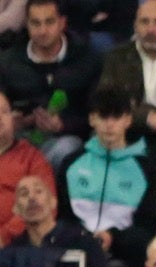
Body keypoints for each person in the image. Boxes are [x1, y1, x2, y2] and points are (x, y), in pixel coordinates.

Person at [63, 84, 156, 267]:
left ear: (128, 120)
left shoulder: (143, 167)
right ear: (91, 119)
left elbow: (148, 223)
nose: (109, 124)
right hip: (78, 238)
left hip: (123, 241)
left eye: (116, 117)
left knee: (146, 248)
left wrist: (112, 236)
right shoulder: (72, 163)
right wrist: (86, 235)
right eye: (103, 117)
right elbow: (62, 215)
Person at [0, 0, 101, 171]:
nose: (42, 31)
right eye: (36, 23)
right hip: (17, 139)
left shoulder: (86, 59)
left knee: (68, 148)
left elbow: (95, 113)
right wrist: (11, 121)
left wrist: (62, 124)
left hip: (64, 139)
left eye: (49, 22)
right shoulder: (8, 62)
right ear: (26, 23)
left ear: (62, 23)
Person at [96, 0, 156, 173]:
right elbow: (106, 104)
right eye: (144, 22)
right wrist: (147, 117)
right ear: (135, 26)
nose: (151, 29)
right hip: (128, 133)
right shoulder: (116, 58)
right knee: (100, 136)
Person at [0, 86, 53, 243]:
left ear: (13, 119)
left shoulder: (32, 158)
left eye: (4, 112)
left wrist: (4, 237)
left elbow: (47, 205)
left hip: (14, 247)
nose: (0, 118)